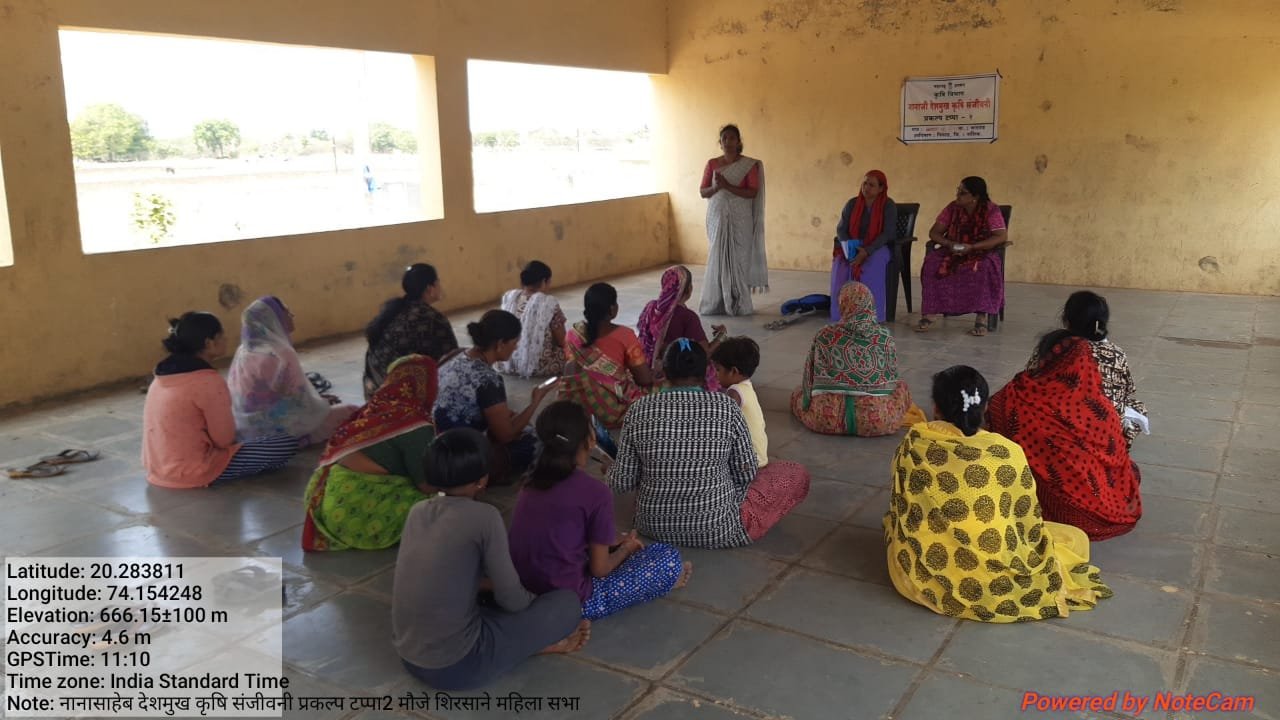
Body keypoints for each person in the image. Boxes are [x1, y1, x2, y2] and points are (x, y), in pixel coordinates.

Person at [885, 365, 1113, 622]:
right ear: (983, 408)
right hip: (997, 561)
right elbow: (1025, 520)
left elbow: (903, 506)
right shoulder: (1006, 452)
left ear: (936, 408)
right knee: (1075, 539)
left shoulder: (915, 442)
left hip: (924, 575)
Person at [393, 428, 589, 691]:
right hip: (458, 667)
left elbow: (445, 578)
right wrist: (538, 606)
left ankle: (518, 639)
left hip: (409, 655)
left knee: (481, 605)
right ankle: (532, 646)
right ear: (482, 479)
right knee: (566, 604)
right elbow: (513, 601)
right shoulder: (485, 517)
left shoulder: (417, 511)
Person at [607, 339, 810, 547]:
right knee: (795, 473)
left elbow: (623, 482)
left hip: (652, 525)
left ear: (664, 372)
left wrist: (617, 470)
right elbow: (746, 474)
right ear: (706, 372)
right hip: (719, 529)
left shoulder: (638, 409)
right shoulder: (727, 407)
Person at [508, 400, 692, 620]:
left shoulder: (528, 484)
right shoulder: (595, 492)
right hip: (571, 602)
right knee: (667, 558)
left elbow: (556, 534)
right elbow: (600, 569)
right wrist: (625, 550)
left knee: (612, 545)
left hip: (525, 590)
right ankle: (665, 580)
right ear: (590, 440)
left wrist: (612, 542)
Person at [987, 317, 1144, 540]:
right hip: (1100, 504)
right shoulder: (1102, 409)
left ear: (1044, 360)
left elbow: (991, 423)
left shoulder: (1016, 394)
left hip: (1054, 502)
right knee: (1130, 473)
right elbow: (1116, 458)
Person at [143, 312, 298, 489]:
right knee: (285, 443)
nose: (226, 339)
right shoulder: (207, 381)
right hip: (193, 471)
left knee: (247, 434)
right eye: (221, 336)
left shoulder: (161, 376)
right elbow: (224, 440)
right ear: (209, 343)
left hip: (157, 467)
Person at [302, 355, 439, 552]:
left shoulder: (371, 409)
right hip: (353, 515)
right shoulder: (414, 424)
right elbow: (427, 485)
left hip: (324, 503)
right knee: (443, 506)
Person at [434, 310, 555, 482]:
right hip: (463, 455)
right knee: (536, 440)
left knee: (520, 424)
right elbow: (505, 435)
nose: (516, 347)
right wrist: (535, 402)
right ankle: (487, 475)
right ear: (500, 344)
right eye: (514, 342)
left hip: (437, 445)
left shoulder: (455, 355)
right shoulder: (488, 379)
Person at [791, 282, 922, 436]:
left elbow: (809, 378)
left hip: (825, 420)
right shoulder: (884, 337)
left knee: (797, 393)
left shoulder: (825, 335)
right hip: (878, 421)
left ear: (842, 304)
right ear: (870, 304)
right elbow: (891, 380)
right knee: (901, 387)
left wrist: (808, 402)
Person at [227, 297, 358, 445]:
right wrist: (322, 404)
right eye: (287, 313)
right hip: (275, 431)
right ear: (274, 319)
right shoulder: (281, 353)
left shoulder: (244, 350)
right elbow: (298, 401)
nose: (292, 316)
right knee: (351, 411)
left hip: (246, 429)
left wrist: (318, 398)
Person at [1025, 290, 1147, 446]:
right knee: (1137, 407)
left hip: (1047, 429)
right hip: (1103, 437)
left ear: (1066, 320)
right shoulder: (1115, 354)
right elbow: (1125, 391)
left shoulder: (1052, 346)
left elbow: (1029, 379)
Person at [914, 176, 1008, 337]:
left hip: (980, 251)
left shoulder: (991, 210)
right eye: (958, 191)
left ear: (975, 197)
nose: (957, 195)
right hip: (953, 249)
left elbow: (1000, 236)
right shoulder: (952, 208)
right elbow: (934, 232)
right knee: (932, 263)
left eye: (962, 193)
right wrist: (949, 244)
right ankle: (930, 313)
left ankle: (981, 316)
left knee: (984, 267)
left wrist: (972, 247)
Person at [561, 283, 654, 429]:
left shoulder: (572, 334)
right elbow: (644, 380)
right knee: (665, 390)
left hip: (576, 408)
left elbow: (572, 371)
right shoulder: (625, 335)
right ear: (612, 309)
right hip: (611, 410)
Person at [699, 124, 767, 317]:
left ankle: (739, 303)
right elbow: (703, 192)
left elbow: (753, 192)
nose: (728, 142)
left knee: (739, 260)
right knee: (718, 257)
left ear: (739, 142)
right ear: (720, 143)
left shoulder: (749, 165)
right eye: (724, 138)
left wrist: (728, 186)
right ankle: (717, 303)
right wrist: (715, 188)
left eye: (731, 138)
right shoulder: (712, 164)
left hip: (741, 218)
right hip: (717, 216)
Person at [364, 263, 459, 400]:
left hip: (373, 388)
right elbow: (452, 360)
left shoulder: (393, 310)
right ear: (430, 288)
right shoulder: (432, 318)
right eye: (438, 282)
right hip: (397, 395)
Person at [637, 265, 726, 390]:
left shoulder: (651, 308)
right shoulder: (687, 317)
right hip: (678, 373)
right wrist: (721, 336)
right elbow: (703, 353)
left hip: (651, 370)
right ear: (689, 289)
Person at [830, 170, 899, 323]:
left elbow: (887, 233)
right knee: (840, 265)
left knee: (872, 265)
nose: (866, 187)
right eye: (865, 183)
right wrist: (850, 247)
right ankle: (842, 314)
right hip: (853, 244)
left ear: (881, 188)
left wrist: (867, 251)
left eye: (872, 185)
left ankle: (871, 316)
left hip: (877, 246)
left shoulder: (888, 205)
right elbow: (841, 229)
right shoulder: (852, 203)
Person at [495, 260, 566, 379]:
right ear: (544, 281)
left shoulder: (509, 297)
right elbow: (562, 340)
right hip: (537, 367)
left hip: (504, 361)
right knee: (573, 350)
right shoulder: (549, 303)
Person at [711, 337, 769, 467]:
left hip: (749, 461)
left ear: (733, 371)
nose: (715, 374)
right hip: (759, 456)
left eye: (718, 369)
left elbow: (722, 422)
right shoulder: (746, 387)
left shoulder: (735, 392)